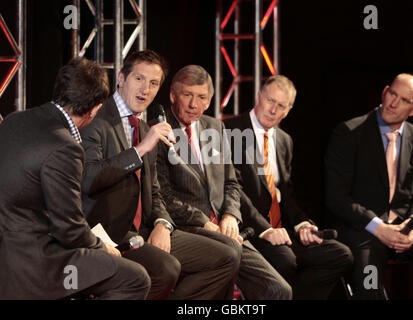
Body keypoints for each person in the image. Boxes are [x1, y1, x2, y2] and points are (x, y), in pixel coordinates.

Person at [80, 50, 239, 300]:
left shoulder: (145, 126)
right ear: (121, 78)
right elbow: (89, 179)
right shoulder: (97, 117)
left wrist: (162, 223)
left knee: (226, 257)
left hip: (146, 227)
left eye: (154, 83)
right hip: (108, 231)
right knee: (167, 268)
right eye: (139, 79)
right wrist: (141, 148)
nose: (146, 89)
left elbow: (153, 189)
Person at [0, 58, 149, 300]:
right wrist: (103, 248)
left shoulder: (13, 120)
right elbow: (68, 229)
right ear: (94, 109)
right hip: (33, 259)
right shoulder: (65, 147)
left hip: (9, 248)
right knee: (134, 278)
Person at [156, 64, 292, 300]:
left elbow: (231, 183)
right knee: (226, 267)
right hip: (190, 228)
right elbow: (163, 195)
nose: (193, 104)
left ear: (209, 101)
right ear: (173, 95)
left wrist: (230, 215)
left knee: (279, 290)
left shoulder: (215, 127)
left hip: (227, 229)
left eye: (201, 98)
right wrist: (206, 224)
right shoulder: (158, 129)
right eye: (187, 95)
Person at [223, 75, 353, 299]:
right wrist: (266, 229)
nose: (273, 110)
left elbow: (285, 194)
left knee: (340, 254)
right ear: (259, 97)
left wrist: (303, 224)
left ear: (288, 110)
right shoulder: (229, 129)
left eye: (281, 106)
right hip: (251, 230)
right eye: (270, 100)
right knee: (285, 259)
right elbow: (233, 191)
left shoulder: (284, 140)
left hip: (282, 231)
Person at [325, 73, 413, 299]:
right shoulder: (349, 132)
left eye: (405, 101)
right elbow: (336, 197)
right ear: (385, 91)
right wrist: (378, 227)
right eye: (392, 94)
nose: (393, 103)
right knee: (369, 281)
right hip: (365, 229)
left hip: (405, 226)